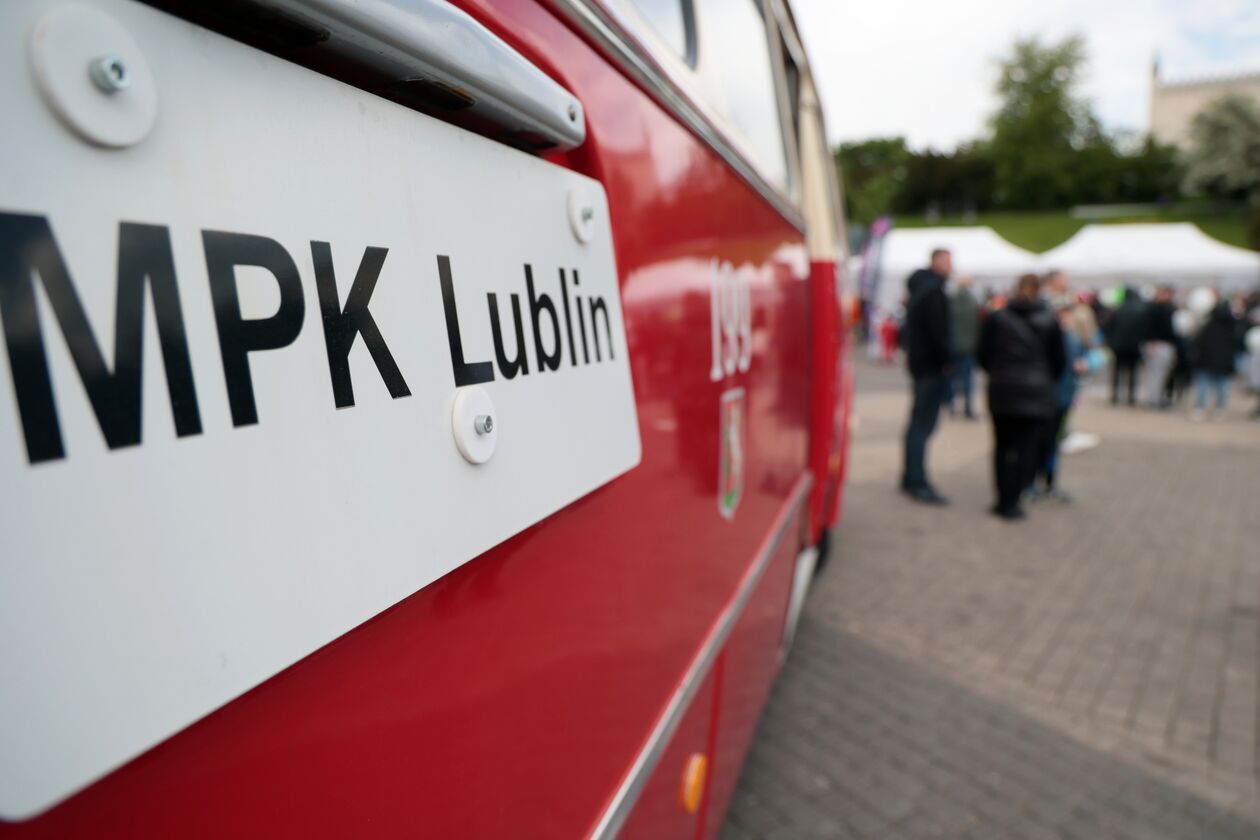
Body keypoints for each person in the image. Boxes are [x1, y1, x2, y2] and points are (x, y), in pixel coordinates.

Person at [977, 274, 1066, 520]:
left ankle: (1002, 499)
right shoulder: (1048, 319)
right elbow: (1059, 361)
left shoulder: (998, 317)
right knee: (1026, 448)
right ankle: (1015, 499)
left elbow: (983, 354)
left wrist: (999, 373)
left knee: (1002, 446)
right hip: (1035, 393)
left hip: (1003, 390)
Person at [899, 248, 953, 505]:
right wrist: (948, 361)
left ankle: (911, 476)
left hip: (921, 366)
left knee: (917, 425)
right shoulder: (933, 292)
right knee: (922, 426)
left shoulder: (921, 289)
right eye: (946, 261)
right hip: (931, 368)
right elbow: (940, 335)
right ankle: (917, 481)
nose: (950, 266)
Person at [1030, 301, 1089, 502]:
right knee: (1043, 441)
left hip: (1063, 396)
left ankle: (1048, 482)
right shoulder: (1051, 337)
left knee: (1053, 441)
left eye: (1067, 314)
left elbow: (1079, 363)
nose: (1066, 318)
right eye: (1062, 314)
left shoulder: (1072, 338)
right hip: (1050, 397)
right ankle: (1035, 482)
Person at [1190, 297, 1237, 420]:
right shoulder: (1232, 324)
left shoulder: (1207, 323)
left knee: (1203, 384)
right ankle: (1220, 409)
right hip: (1224, 361)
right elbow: (1237, 342)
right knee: (1222, 385)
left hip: (1206, 359)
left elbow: (1197, 341)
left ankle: (1199, 408)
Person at [1104, 287, 1147, 406]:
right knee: (1133, 372)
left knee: (1117, 371)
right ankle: (1131, 397)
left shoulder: (1117, 310)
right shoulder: (1139, 310)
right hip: (1134, 346)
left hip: (1118, 346)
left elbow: (1108, 328)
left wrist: (1111, 342)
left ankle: (1115, 395)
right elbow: (1143, 329)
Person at [947, 275, 981, 419]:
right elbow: (978, 325)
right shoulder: (973, 302)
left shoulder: (951, 300)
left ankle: (951, 405)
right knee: (968, 378)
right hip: (969, 345)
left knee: (953, 377)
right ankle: (968, 407)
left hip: (954, 345)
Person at [1140, 287, 1177, 408]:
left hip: (1160, 344)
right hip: (1157, 345)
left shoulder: (1164, 309)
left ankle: (1156, 398)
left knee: (1158, 374)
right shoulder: (1156, 310)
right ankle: (1154, 399)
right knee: (1156, 374)